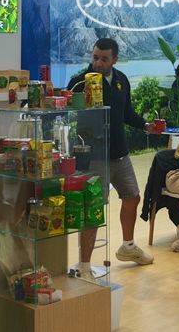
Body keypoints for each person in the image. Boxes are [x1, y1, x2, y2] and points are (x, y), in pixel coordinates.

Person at [66, 38, 156, 275]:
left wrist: (145, 125)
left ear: (115, 59)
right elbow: (67, 111)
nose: (98, 63)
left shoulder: (121, 80)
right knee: (94, 208)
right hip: (93, 157)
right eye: (95, 57)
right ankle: (84, 265)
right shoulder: (79, 82)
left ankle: (128, 246)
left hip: (120, 154)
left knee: (133, 196)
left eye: (104, 59)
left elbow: (127, 113)